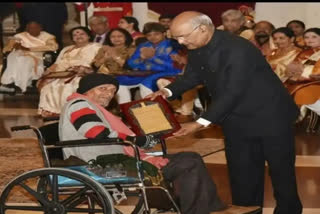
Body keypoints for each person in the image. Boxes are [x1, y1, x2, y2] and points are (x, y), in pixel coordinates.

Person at [147, 11, 302, 214]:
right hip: (235, 117)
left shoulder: (238, 48)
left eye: (183, 36)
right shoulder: (196, 46)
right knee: (241, 172)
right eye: (176, 38)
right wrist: (166, 92)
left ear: (202, 28)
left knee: (281, 171)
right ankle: (247, 211)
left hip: (270, 115)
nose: (181, 42)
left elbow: (233, 91)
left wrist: (200, 122)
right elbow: (192, 77)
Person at [59, 73, 260, 214]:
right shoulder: (80, 104)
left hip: (110, 158)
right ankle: (200, 210)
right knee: (187, 162)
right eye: (102, 89)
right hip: (99, 165)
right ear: (87, 90)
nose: (108, 94)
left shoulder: (89, 106)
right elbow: (96, 132)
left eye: (112, 91)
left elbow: (111, 135)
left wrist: (155, 136)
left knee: (190, 158)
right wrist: (137, 139)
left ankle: (210, 208)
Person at [37, 26, 101, 118]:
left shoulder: (96, 47)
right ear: (72, 38)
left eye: (82, 34)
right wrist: (49, 70)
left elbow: (100, 63)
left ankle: (71, 112)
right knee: (49, 86)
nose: (78, 36)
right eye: (75, 34)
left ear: (88, 36)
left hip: (84, 73)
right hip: (64, 73)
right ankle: (53, 112)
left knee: (68, 86)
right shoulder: (67, 49)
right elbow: (58, 63)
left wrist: (84, 70)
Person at [116, 22, 182, 104]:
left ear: (164, 33)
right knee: (119, 82)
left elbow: (174, 65)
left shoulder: (173, 45)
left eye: (156, 34)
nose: (152, 37)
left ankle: (153, 111)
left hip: (167, 72)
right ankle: (126, 109)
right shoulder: (143, 45)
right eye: (149, 35)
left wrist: (152, 58)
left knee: (146, 84)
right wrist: (141, 58)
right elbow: (131, 64)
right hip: (145, 72)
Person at [0, 21, 58, 93]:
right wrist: (13, 46)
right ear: (27, 29)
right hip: (18, 54)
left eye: (36, 28)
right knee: (14, 56)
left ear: (40, 28)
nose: (33, 30)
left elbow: (53, 47)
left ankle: (16, 84)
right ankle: (9, 83)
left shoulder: (48, 37)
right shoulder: (20, 36)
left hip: (35, 56)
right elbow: (6, 49)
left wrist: (29, 49)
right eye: (30, 28)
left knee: (24, 60)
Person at [286, 28, 320, 118]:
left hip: (315, 82)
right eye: (306, 37)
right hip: (302, 81)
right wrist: (294, 76)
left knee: (303, 92)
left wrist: (309, 77)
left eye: (314, 37)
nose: (309, 40)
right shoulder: (304, 52)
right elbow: (292, 68)